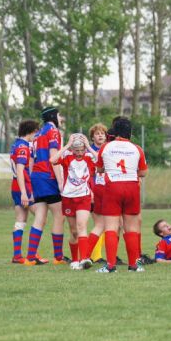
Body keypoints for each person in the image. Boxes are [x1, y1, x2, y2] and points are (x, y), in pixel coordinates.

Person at [96, 117, 148, 273]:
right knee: (131, 227)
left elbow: (98, 170)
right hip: (132, 186)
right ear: (129, 132)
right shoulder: (137, 148)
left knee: (111, 227)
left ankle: (110, 266)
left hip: (113, 186)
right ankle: (133, 265)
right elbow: (144, 172)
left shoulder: (105, 147)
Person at [25, 107, 68, 266]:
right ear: (53, 116)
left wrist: (31, 179)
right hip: (48, 176)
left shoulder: (38, 134)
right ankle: (58, 257)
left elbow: (31, 160)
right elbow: (53, 158)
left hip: (36, 177)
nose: (61, 117)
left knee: (40, 216)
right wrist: (60, 182)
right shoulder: (53, 131)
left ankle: (30, 257)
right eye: (59, 114)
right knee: (59, 215)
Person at [51, 134, 97, 270]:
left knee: (82, 226)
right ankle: (75, 260)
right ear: (72, 149)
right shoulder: (67, 156)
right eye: (76, 150)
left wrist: (88, 146)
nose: (79, 153)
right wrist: (67, 145)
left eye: (82, 149)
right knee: (74, 231)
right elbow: (52, 160)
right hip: (68, 197)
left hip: (84, 197)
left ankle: (84, 259)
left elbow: (101, 160)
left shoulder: (89, 157)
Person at [9, 120, 39, 264]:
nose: (36, 135)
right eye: (36, 132)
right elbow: (20, 170)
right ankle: (33, 253)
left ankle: (17, 256)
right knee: (40, 216)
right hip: (22, 187)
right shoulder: (22, 147)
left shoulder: (17, 144)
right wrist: (24, 192)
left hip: (16, 186)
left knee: (21, 220)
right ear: (31, 131)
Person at [87, 123, 108, 263]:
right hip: (94, 190)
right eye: (97, 133)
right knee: (99, 222)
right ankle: (94, 255)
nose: (100, 135)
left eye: (102, 133)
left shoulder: (108, 149)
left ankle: (95, 254)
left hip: (107, 189)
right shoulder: (88, 152)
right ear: (92, 137)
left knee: (106, 224)